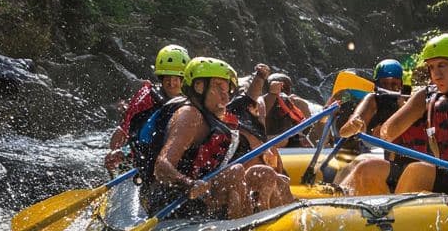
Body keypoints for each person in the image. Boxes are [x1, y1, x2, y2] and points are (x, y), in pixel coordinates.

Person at [338, 34, 448, 206]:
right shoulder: (427, 96)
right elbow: (388, 133)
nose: (436, 75)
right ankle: (339, 214)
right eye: (431, 67)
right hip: (447, 175)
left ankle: (392, 227)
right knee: (368, 167)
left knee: (418, 171)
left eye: (442, 65)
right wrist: (368, 121)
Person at [139, 57, 293, 220]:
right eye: (219, 88)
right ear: (199, 87)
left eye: (227, 90)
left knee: (267, 175)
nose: (225, 97)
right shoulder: (189, 115)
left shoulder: (212, 116)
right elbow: (162, 165)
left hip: (200, 195)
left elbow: (248, 100)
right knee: (235, 172)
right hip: (173, 200)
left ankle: (286, 227)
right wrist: (188, 184)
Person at [333, 58, 428, 189]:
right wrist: (353, 125)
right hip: (393, 166)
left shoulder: (416, 100)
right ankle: (334, 198)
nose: (390, 89)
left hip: (419, 169)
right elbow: (344, 131)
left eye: (394, 84)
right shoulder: (374, 99)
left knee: (366, 166)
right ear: (376, 85)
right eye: (385, 84)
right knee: (355, 163)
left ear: (401, 84)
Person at [104, 44, 189, 173]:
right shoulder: (147, 97)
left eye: (176, 78)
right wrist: (114, 152)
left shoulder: (192, 100)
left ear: (184, 79)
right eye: (167, 78)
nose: (171, 83)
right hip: (142, 154)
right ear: (161, 77)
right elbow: (123, 129)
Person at [260, 72, 313, 147]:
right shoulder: (262, 102)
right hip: (269, 142)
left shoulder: (295, 102)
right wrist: (272, 95)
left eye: (285, 87)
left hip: (291, 140)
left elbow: (308, 126)